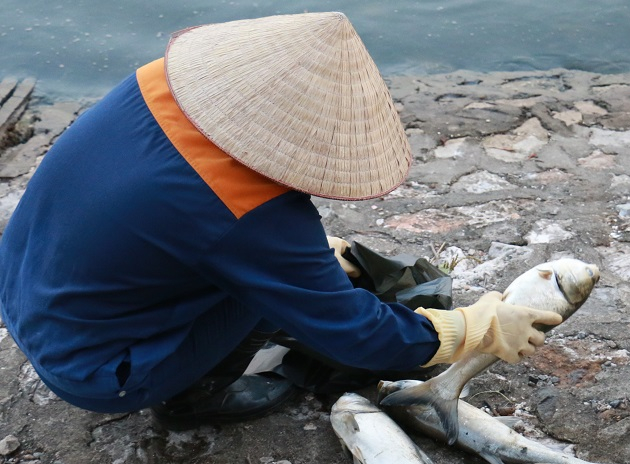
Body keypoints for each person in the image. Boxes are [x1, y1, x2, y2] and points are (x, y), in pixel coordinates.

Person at [0, 12, 562, 430]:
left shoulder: (155, 84)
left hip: (23, 283)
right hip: (95, 367)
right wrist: (473, 329)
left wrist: (299, 258)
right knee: (264, 293)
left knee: (266, 269)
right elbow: (358, 335)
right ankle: (191, 400)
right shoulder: (252, 214)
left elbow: (163, 213)